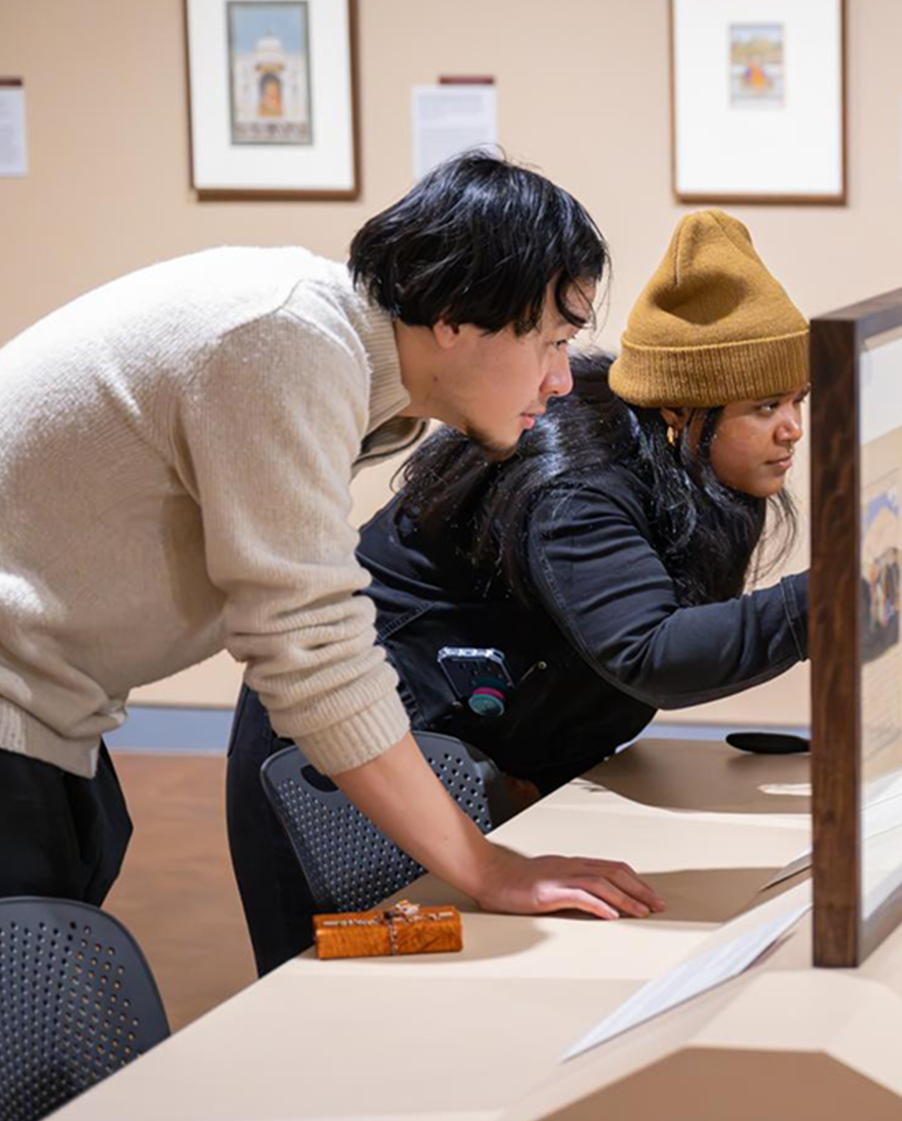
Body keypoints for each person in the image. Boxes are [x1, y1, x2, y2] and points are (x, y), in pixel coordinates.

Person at [0, 150, 662, 928]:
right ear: (452, 316)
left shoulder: (334, 354)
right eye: (550, 341)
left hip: (55, 706)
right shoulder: (284, 342)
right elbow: (310, 646)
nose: (559, 381)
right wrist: (488, 869)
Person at [228, 209, 810, 973]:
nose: (793, 429)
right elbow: (650, 651)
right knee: (340, 1011)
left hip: (473, 760)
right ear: (679, 412)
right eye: (765, 408)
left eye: (798, 400)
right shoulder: (579, 482)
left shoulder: (679, 470)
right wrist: (838, 594)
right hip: (349, 762)